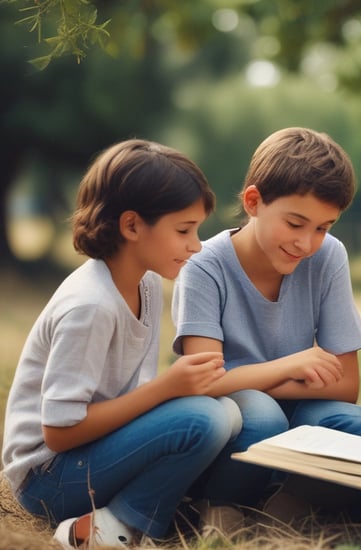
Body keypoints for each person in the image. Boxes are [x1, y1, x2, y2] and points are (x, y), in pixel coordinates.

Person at [1, 139, 241, 548]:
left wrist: (171, 391)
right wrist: (167, 388)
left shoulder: (145, 283)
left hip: (93, 454)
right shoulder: (91, 305)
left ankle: (126, 518)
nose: (197, 245)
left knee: (229, 413)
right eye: (184, 230)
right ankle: (106, 529)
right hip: (48, 479)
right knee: (205, 420)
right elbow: (58, 432)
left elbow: (129, 397)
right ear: (131, 226)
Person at [171, 127, 361, 515]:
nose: (306, 243)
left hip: (295, 411)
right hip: (234, 420)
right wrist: (294, 366)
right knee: (262, 415)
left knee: (359, 423)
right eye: (295, 223)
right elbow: (204, 385)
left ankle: (285, 504)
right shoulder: (203, 266)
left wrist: (257, 379)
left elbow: (346, 386)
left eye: (323, 228)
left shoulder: (328, 257)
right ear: (254, 202)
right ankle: (220, 507)